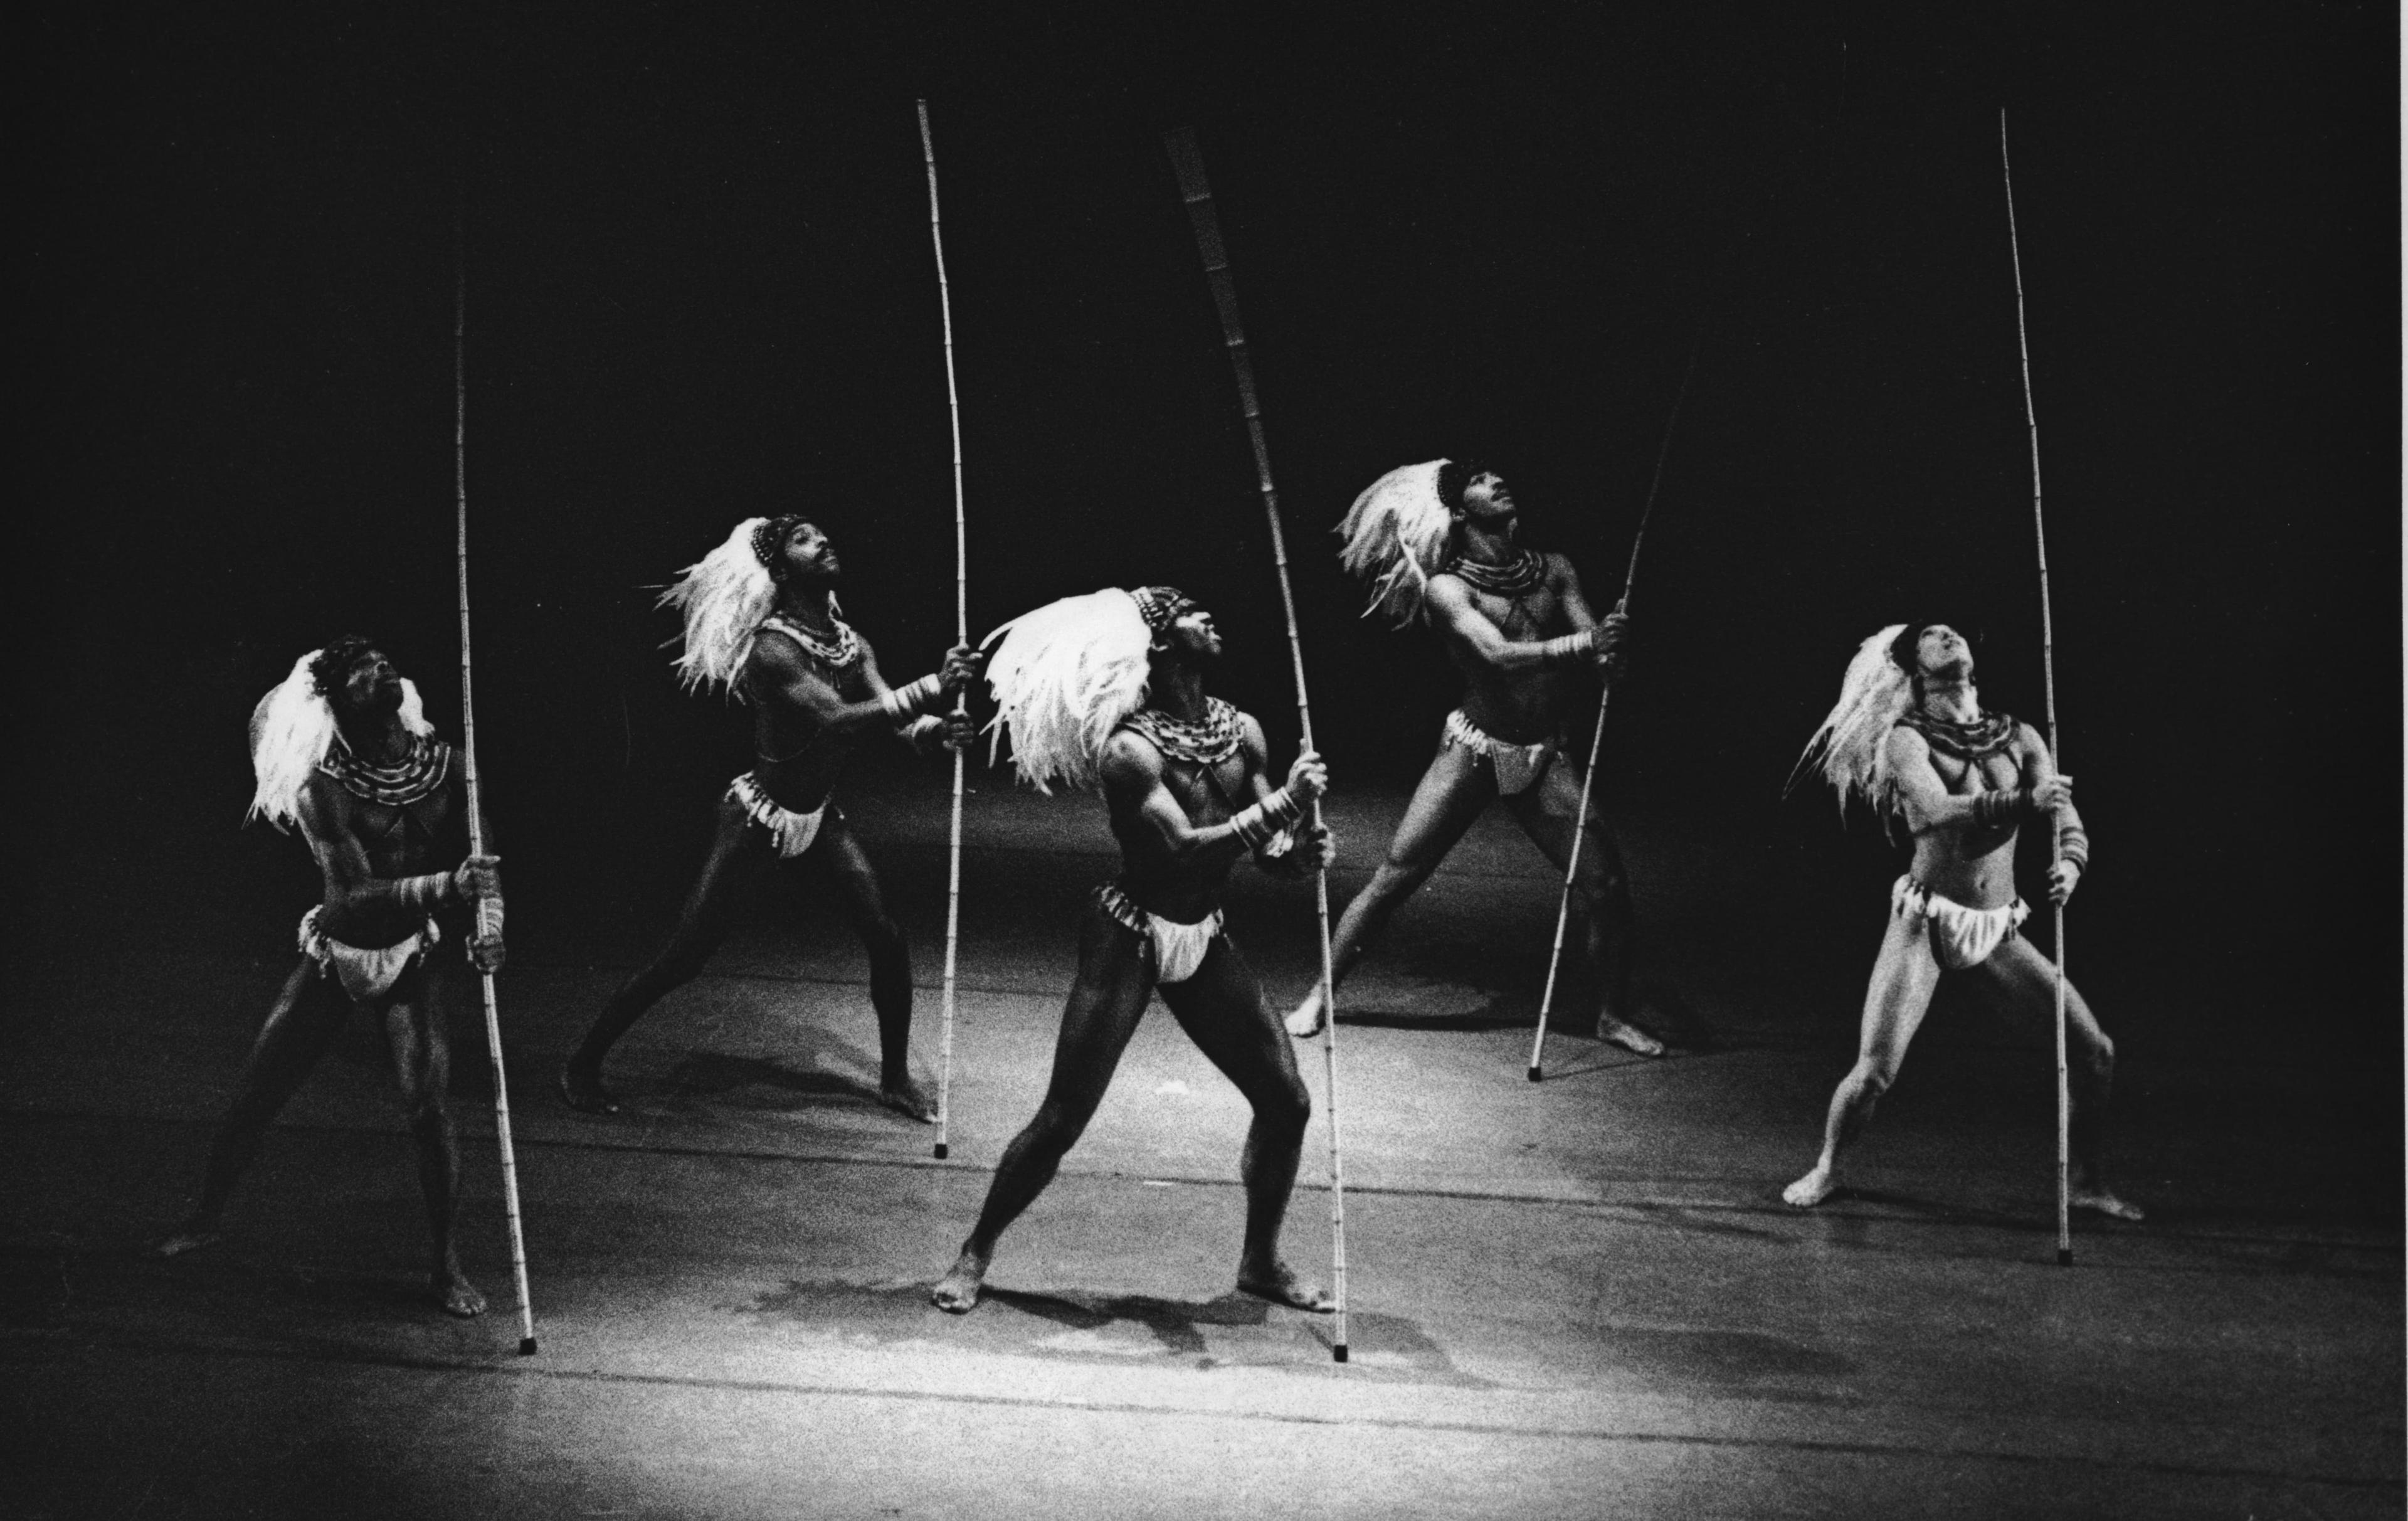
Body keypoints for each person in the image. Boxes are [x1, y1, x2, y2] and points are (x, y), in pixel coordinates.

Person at [932, 586, 1335, 1313]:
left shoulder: (1242, 729)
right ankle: (976, 1248)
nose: (1208, 612)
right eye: (1189, 610)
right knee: (1063, 1117)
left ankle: (1260, 1260)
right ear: (1159, 645)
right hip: (1130, 933)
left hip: (1205, 935)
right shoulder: (1129, 749)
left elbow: (1268, 848)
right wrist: (1279, 808)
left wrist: (1299, 845)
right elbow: (1181, 847)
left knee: (1288, 1102)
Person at [558, 514, 978, 1118]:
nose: (825, 540)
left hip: (818, 815)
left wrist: (938, 732)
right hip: (758, 819)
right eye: (805, 539)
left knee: (885, 936)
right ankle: (582, 1062)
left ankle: (893, 1079)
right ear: (780, 571)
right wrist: (933, 685)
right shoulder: (773, 651)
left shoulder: (848, 641)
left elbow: (894, 717)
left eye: (821, 533)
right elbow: (836, 718)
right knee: (685, 957)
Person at [155, 638, 507, 1317]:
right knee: (258, 1093)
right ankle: (203, 1216)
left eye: (383, 661)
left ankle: (445, 1264)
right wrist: (447, 884)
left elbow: (483, 856)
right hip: (336, 956)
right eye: (361, 671)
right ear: (339, 700)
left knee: (428, 1107)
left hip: (412, 957)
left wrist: (491, 926)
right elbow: (351, 893)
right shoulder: (325, 786)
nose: (383, 670)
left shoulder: (449, 767)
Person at [1286, 459, 1661, 1054]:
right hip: (1475, 750)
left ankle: (1611, 1013)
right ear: (1461, 513)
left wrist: (1608, 651)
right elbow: (1499, 654)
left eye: (1496, 476)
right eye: (1483, 481)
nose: (1499, 481)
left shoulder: (1555, 569)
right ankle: (1320, 995)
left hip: (1545, 754)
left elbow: (1595, 649)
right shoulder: (1448, 588)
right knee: (1396, 877)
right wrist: (1585, 644)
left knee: (1607, 885)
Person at [1780, 622, 2141, 1219]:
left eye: (1954, 632)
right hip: (1927, 921)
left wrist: (2071, 865)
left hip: (1997, 927)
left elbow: (2065, 817)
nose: (1949, 635)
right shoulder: (1905, 740)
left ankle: (2084, 1181)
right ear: (1916, 672)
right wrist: (2028, 801)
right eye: (1933, 636)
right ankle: (1828, 1168)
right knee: (1875, 1073)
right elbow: (1937, 808)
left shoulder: (2019, 735)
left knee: (2095, 1051)